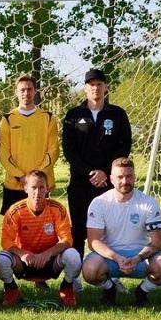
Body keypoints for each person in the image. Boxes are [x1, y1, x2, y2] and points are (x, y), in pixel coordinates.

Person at [82, 157, 161, 307]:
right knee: (90, 270)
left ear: (135, 177)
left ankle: (142, 292)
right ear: (111, 179)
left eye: (129, 176)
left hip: (140, 257)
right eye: (120, 177)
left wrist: (138, 258)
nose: (125, 181)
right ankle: (109, 289)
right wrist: (117, 258)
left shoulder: (149, 203)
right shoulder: (99, 203)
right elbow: (94, 242)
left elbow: (158, 242)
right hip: (110, 257)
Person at [62, 69, 132, 256]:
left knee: (109, 230)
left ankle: (110, 269)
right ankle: (75, 271)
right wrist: (90, 173)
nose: (95, 88)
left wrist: (105, 172)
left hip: (108, 183)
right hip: (80, 183)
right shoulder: (73, 115)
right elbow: (69, 150)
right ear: (85, 88)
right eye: (91, 85)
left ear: (105, 87)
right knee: (78, 230)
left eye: (99, 84)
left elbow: (124, 147)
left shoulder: (117, 114)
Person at [0, 170, 81, 307]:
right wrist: (22, 254)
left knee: (73, 256)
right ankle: (11, 288)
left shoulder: (57, 209)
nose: (37, 192)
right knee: (0, 259)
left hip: (50, 261)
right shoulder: (15, 210)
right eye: (33, 187)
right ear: (25, 188)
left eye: (41, 187)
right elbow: (6, 241)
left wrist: (48, 254)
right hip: (24, 262)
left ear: (47, 189)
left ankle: (67, 287)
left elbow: (67, 239)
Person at [0, 74, 59, 216]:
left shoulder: (48, 118)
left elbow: (53, 150)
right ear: (16, 92)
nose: (26, 93)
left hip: (41, 185)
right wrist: (21, 177)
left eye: (29, 89)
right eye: (22, 90)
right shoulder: (7, 119)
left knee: (41, 225)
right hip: (15, 184)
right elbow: (4, 153)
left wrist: (36, 178)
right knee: (13, 226)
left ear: (35, 91)